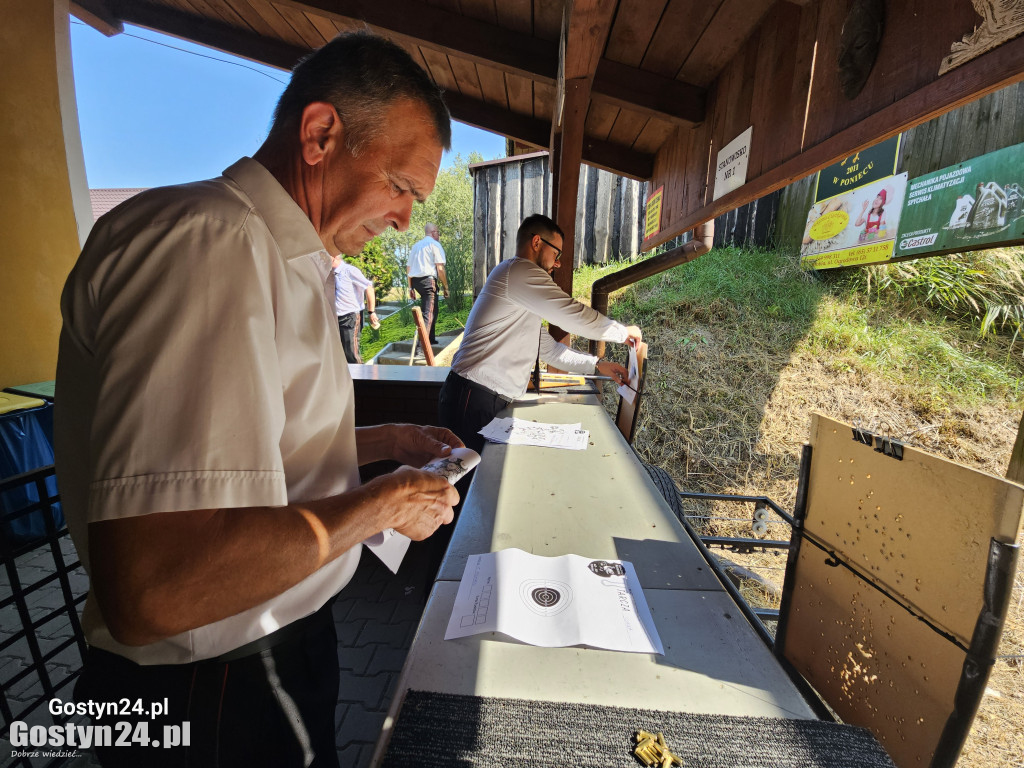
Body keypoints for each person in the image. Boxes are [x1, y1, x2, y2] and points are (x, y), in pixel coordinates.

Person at [54, 32, 459, 768]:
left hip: (268, 649)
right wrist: (383, 505)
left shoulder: (284, 259)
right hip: (209, 690)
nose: (405, 218)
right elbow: (155, 590)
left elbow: (252, 447)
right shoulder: (207, 241)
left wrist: (384, 440)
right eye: (401, 185)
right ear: (320, 134)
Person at [438, 213, 641, 454]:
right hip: (473, 397)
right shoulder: (519, 271)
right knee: (469, 484)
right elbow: (570, 314)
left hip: (479, 397)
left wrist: (598, 365)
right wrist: (621, 332)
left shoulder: (521, 292)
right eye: (557, 254)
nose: (558, 263)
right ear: (536, 243)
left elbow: (550, 351)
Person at [407, 222, 448, 343]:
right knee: (428, 314)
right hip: (428, 282)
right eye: (438, 232)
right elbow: (440, 269)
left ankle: (430, 339)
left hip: (416, 282)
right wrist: (446, 287)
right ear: (434, 232)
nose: (439, 235)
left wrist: (410, 288)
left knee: (433, 309)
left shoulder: (416, 246)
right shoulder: (434, 245)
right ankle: (421, 348)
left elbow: (408, 269)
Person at [332, 254, 376, 363]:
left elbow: (368, 288)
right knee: (337, 354)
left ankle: (358, 378)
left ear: (334, 257)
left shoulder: (350, 271)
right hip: (334, 317)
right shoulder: (329, 274)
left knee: (351, 353)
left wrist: (371, 312)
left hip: (350, 316)